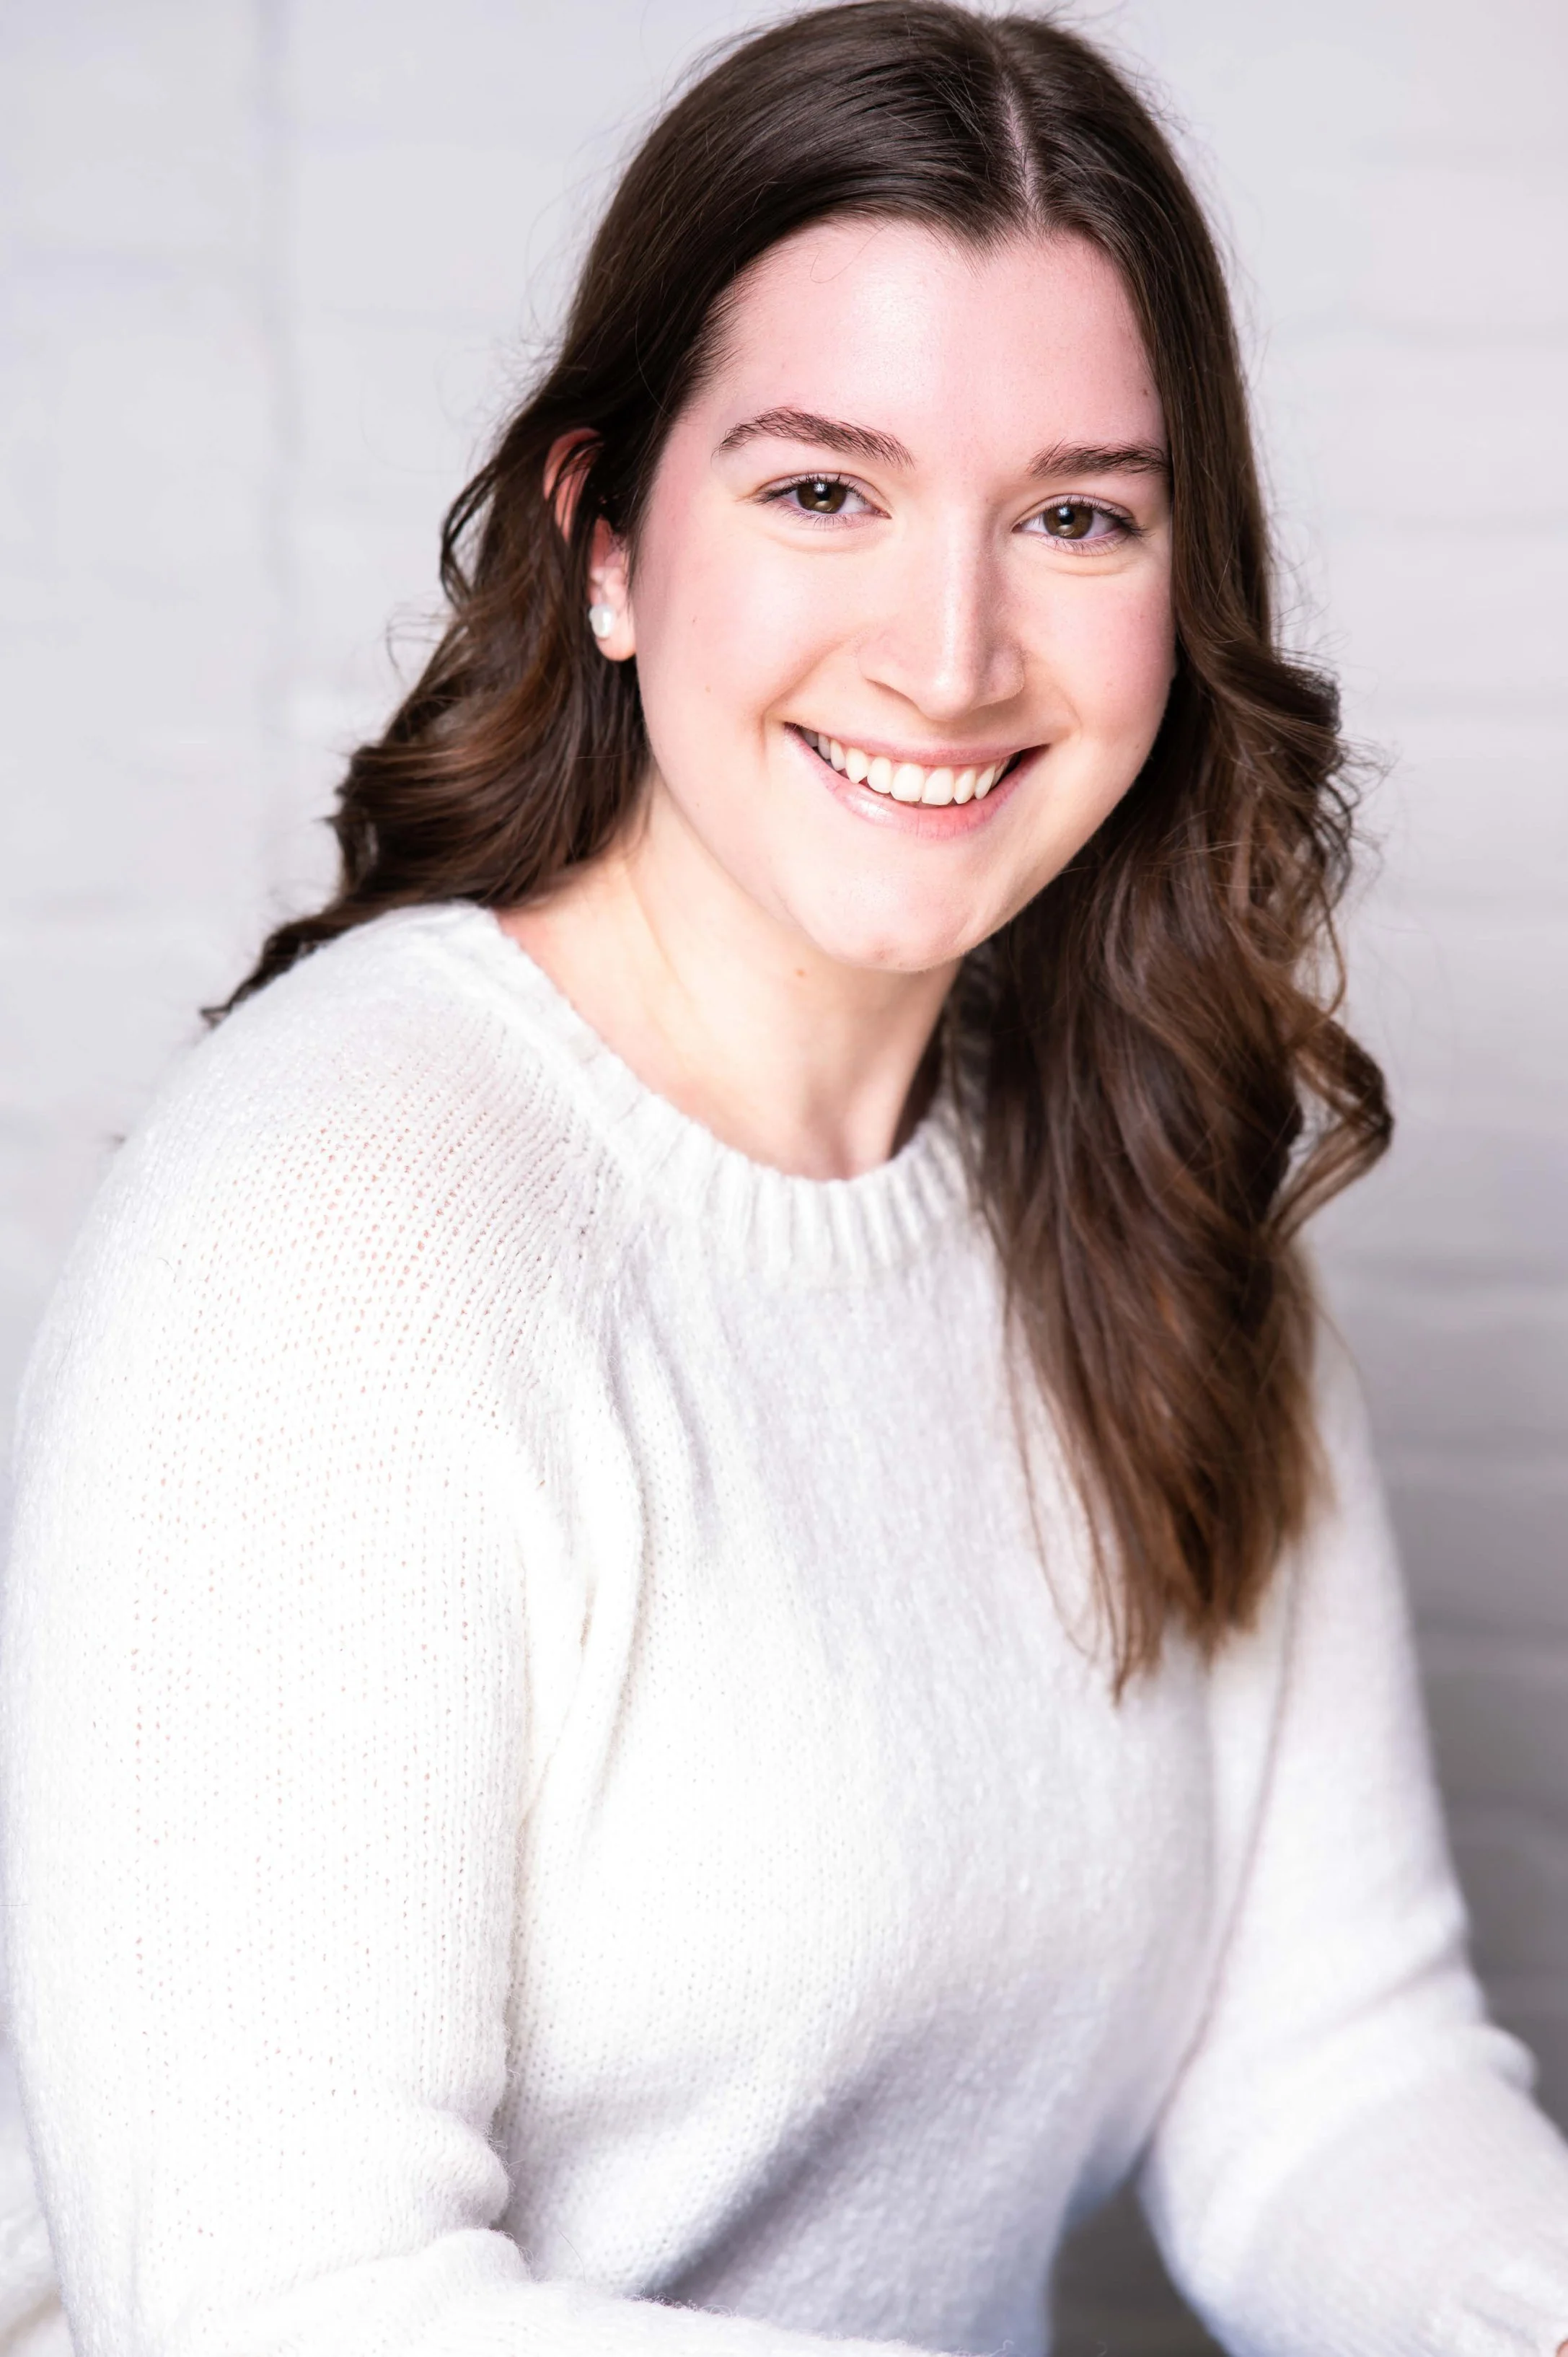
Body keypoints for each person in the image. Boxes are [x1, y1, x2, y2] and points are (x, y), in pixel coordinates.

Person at [3, 5, 1567, 2353]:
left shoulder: (1152, 1190)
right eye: (820, 489)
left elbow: (1323, 2077)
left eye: (1073, 517)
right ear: (604, 542)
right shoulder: (342, 1217)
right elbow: (267, 2305)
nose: (947, 657)